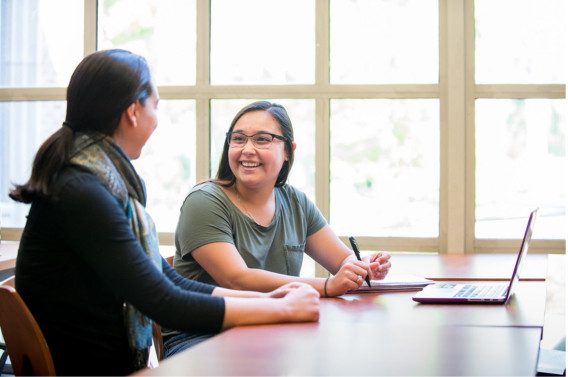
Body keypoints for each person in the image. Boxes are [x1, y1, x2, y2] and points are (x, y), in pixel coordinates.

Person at [9, 51, 319, 376]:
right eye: (155, 106)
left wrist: (270, 301)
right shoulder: (83, 192)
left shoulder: (93, 181)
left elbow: (168, 279)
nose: (156, 119)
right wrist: (281, 309)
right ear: (132, 112)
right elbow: (163, 303)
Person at [173, 101, 392, 298]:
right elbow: (237, 280)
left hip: (272, 326)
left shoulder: (295, 202)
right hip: (204, 335)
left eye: (262, 140)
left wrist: (361, 267)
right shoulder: (203, 202)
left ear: (288, 150)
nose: (248, 149)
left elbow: (342, 260)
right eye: (238, 139)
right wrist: (326, 286)